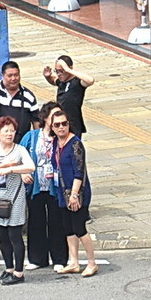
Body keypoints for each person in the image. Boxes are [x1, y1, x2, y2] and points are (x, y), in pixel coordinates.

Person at [0, 116, 35, 285]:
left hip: (15, 197)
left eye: (12, 130)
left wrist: (12, 168)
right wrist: (2, 166)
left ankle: (19, 272)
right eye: (6, 131)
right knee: (1, 235)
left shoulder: (19, 150)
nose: (10, 134)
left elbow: (31, 167)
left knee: (14, 235)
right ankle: (8, 268)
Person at [50, 110, 98, 277]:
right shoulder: (56, 143)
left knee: (79, 228)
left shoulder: (75, 143)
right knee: (68, 228)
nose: (61, 127)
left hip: (77, 192)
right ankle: (73, 261)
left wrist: (75, 194)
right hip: (62, 191)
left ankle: (92, 262)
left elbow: (79, 171)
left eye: (64, 123)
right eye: (57, 125)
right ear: (52, 127)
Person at [22, 102, 67, 271]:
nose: (58, 122)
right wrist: (22, 173)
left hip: (55, 185)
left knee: (57, 222)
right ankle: (37, 258)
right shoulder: (32, 136)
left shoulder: (62, 137)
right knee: (36, 221)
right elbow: (19, 154)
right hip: (36, 184)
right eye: (53, 116)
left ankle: (60, 258)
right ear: (46, 118)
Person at [42, 55, 94, 137]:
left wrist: (68, 70)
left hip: (73, 124)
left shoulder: (78, 82)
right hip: (60, 122)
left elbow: (90, 80)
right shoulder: (61, 81)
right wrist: (48, 76)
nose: (59, 74)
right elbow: (53, 81)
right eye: (57, 71)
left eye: (61, 71)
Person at [0, 61, 39, 138]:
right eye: (10, 75)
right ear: (3, 75)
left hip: (21, 143)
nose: (13, 78)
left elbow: (36, 122)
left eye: (16, 75)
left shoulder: (29, 96)